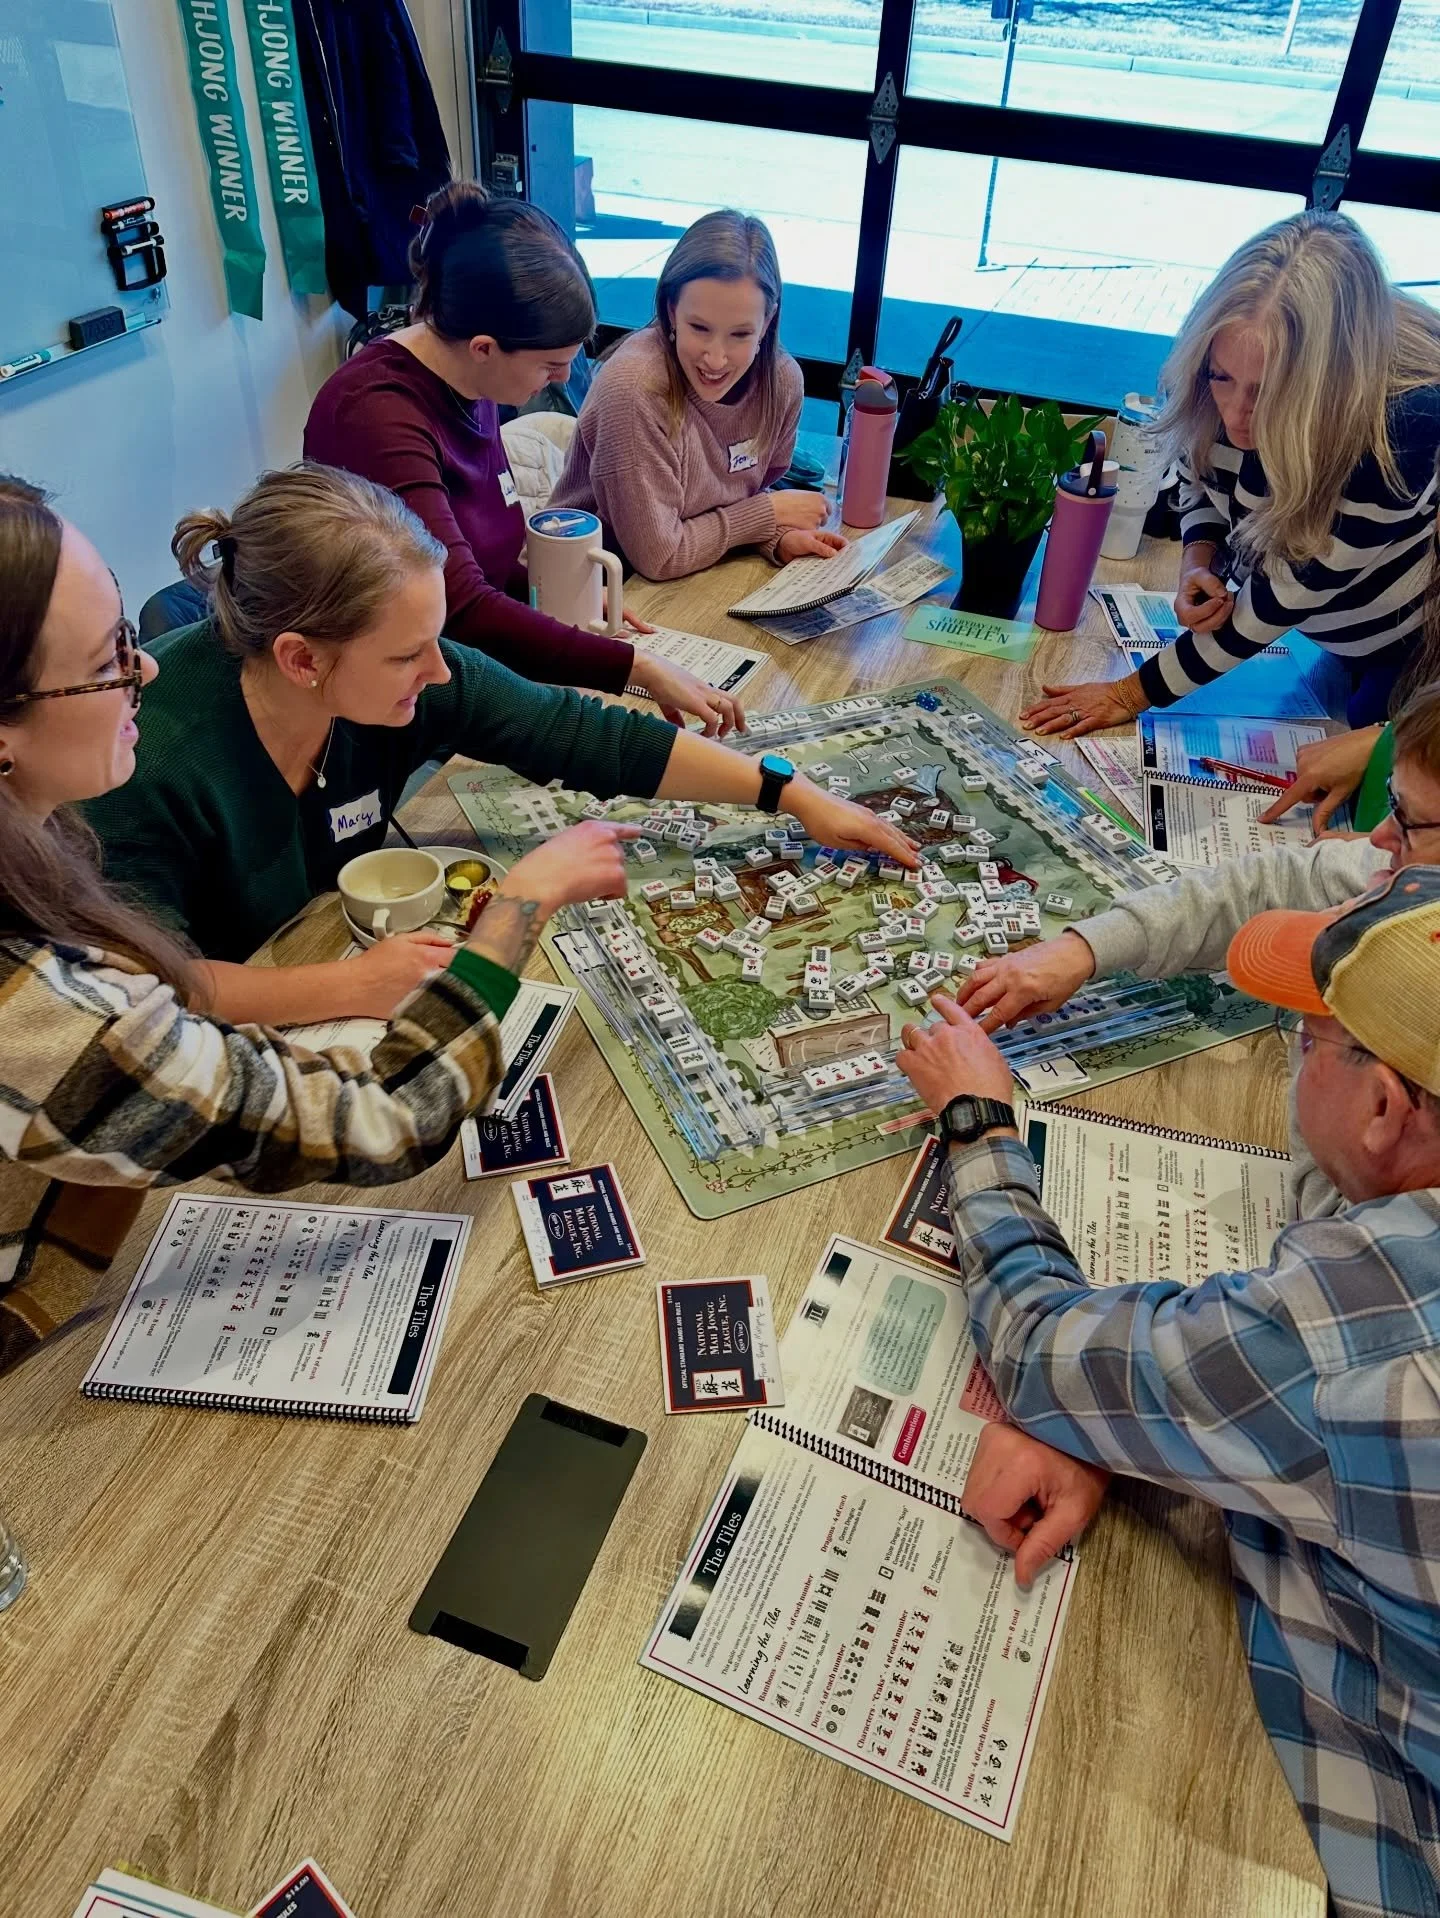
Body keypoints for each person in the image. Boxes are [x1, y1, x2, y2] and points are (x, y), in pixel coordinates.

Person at [0, 474, 637, 1376]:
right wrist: (517, 913)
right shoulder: (41, 1010)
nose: (142, 669)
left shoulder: (36, 833)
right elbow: (386, 1117)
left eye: (132, 640)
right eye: (109, 657)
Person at [898, 871, 1440, 1918]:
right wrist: (1145, 1417)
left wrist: (977, 1118)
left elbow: (1036, 1345)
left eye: (1307, 1040)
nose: (1295, 1054)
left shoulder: (1355, 1332)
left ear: (1383, 1103)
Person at [84, 464, 917, 1032]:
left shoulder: (407, 671)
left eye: (437, 639)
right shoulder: (141, 765)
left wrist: (792, 794)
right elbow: (146, 990)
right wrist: (352, 985)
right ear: (302, 659)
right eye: (408, 655)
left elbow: (584, 735)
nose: (439, 671)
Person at [951, 681, 1440, 1220]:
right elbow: (1268, 884)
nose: (1375, 838)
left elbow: (1340, 1229)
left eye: (1407, 816)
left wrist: (976, 1122)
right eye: (1390, 801)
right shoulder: (1412, 880)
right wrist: (1082, 949)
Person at [304, 182, 737, 736]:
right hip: (393, 704)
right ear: (484, 347)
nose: (561, 380)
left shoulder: (472, 377)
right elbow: (455, 605)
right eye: (550, 365)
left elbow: (484, 558)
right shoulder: (372, 416)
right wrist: (636, 669)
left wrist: (565, 603)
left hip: (468, 668)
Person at [1022, 211, 1440, 742]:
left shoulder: (1403, 429)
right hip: (1334, 628)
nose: (1237, 416)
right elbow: (1198, 471)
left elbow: (1280, 599)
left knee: (1378, 769)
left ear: (1330, 384)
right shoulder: (1215, 356)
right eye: (1222, 378)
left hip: (1413, 644)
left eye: (1269, 391)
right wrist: (1199, 560)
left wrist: (1128, 694)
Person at [547, 208, 843, 582]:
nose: (716, 359)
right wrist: (769, 514)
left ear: (767, 323)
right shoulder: (634, 387)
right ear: (671, 310)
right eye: (699, 328)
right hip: (597, 590)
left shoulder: (782, 382)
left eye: (740, 335)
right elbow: (661, 557)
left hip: (696, 576)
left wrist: (778, 537)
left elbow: (740, 501)